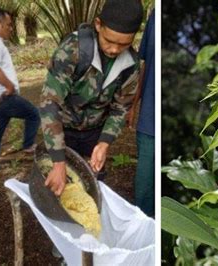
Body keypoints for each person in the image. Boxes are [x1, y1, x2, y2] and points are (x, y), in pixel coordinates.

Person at [40, 0, 144, 196]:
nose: (114, 49)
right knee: (59, 184)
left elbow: (120, 108)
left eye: (123, 44)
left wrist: (104, 143)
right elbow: (49, 104)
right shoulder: (73, 50)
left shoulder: (131, 64)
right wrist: (58, 161)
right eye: (109, 41)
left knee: (92, 183)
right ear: (98, 25)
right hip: (64, 130)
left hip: (94, 133)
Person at [0, 8, 40, 177]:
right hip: (3, 97)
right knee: (34, 114)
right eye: (9, 25)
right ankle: (28, 146)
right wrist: (9, 86)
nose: (11, 28)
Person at [127, 9, 155, 216]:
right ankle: (144, 220)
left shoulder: (154, 16)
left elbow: (144, 64)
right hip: (149, 115)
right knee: (146, 175)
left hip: (150, 114)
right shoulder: (154, 17)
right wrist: (134, 105)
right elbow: (144, 65)